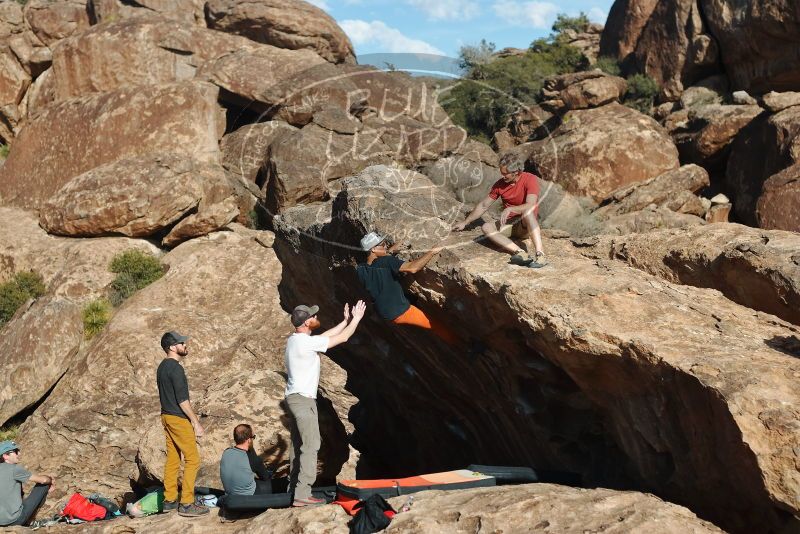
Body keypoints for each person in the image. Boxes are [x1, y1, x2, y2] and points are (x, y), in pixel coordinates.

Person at [285, 301, 366, 507]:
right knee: (311, 445)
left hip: (294, 399)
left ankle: (294, 489)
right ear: (306, 323)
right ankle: (302, 494)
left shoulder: (296, 340)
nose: (315, 317)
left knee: (298, 445)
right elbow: (343, 338)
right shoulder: (304, 342)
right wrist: (356, 319)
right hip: (303, 400)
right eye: (312, 316)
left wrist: (344, 321)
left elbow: (325, 337)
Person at [356, 232, 458, 345]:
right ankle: (463, 345)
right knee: (434, 324)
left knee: (413, 299)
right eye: (383, 244)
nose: (385, 246)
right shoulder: (386, 261)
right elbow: (413, 268)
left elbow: (379, 262)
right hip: (400, 311)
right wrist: (432, 252)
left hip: (384, 312)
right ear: (373, 249)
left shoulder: (361, 269)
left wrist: (395, 247)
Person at [452, 152, 547, 268]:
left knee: (527, 212)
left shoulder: (530, 179)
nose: (502, 176)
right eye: (501, 173)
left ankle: (540, 255)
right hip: (510, 225)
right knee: (486, 227)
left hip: (525, 225)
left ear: (516, 172)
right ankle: (520, 253)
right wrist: (465, 222)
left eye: (505, 174)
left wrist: (512, 209)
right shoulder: (499, 185)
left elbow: (531, 205)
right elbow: (483, 205)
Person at [157, 331, 208, 517]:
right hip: (178, 418)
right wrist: (196, 423)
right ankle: (187, 503)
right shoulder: (176, 368)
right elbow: (183, 400)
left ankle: (169, 500)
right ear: (172, 347)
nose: (185, 345)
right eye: (181, 343)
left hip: (166, 417)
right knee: (193, 459)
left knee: (172, 459)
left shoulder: (162, 367)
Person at [0, 440, 54, 527]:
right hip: (14, 520)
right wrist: (50, 479)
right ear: (5, 456)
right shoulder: (14, 469)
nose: (19, 453)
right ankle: (31, 522)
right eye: (16, 451)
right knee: (44, 484)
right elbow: (43, 480)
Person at [220, 424, 272, 496]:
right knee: (270, 482)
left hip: (230, 494)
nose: (253, 439)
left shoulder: (226, 452)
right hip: (247, 498)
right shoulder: (252, 459)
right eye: (253, 437)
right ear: (248, 440)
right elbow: (265, 477)